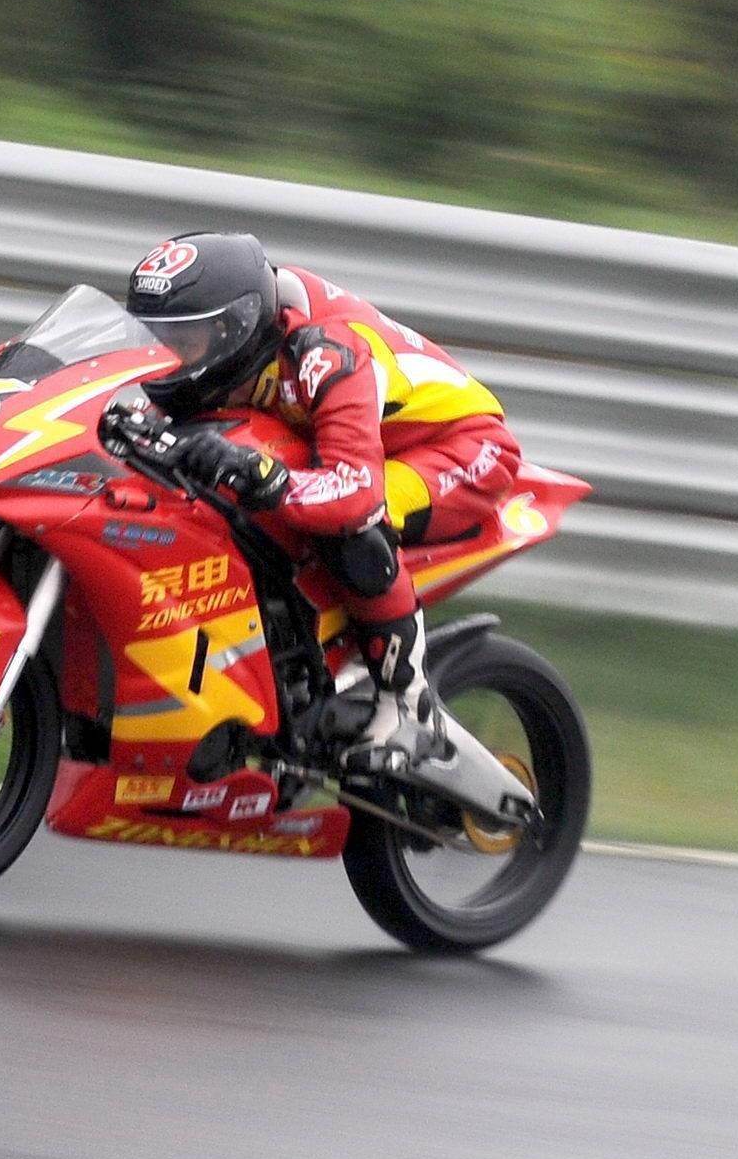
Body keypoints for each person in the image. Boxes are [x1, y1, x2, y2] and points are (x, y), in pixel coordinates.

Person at [115, 231, 523, 772]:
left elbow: (353, 491)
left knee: (354, 527)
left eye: (184, 341)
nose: (169, 357)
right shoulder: (239, 355)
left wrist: (264, 476)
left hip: (459, 449)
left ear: (232, 329)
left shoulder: (325, 354)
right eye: (159, 338)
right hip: (361, 447)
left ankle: (407, 706)